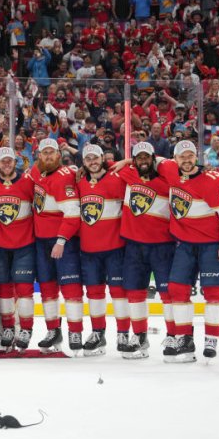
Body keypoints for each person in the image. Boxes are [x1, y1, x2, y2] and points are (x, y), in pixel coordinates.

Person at [156, 141, 219, 362]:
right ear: (175, 159)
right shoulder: (170, 169)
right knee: (176, 289)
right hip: (184, 244)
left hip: (212, 245)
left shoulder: (213, 181)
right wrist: (126, 160)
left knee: (214, 294)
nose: (186, 160)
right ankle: (185, 337)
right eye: (182, 156)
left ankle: (211, 339)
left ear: (197, 157)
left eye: (190, 156)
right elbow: (155, 161)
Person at [112, 142, 173, 359]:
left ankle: (174, 336)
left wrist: (128, 160)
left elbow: (175, 165)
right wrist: (126, 162)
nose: (143, 161)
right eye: (139, 157)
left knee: (168, 294)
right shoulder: (129, 175)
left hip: (162, 245)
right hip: (134, 245)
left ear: (154, 158)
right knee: (135, 293)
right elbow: (100, 166)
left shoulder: (168, 180)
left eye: (147, 157)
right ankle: (139, 338)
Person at [27, 138, 82, 354]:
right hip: (41, 241)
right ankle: (53, 330)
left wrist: (61, 240)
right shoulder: (36, 171)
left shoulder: (64, 177)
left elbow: (72, 213)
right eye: (44, 153)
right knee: (47, 288)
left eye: (52, 152)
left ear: (59, 155)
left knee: (70, 288)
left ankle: (75, 331)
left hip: (62, 242)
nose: (48, 156)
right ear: (38, 156)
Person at [0, 147, 36, 352]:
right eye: (2, 161)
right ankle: (8, 328)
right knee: (3, 290)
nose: (6, 164)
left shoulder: (28, 182)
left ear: (16, 162)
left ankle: (26, 329)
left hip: (25, 244)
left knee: (24, 290)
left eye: (9, 161)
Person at [76, 144, 127, 356]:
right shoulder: (78, 182)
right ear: (84, 162)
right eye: (87, 159)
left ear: (102, 158)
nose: (92, 162)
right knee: (94, 293)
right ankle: (98, 333)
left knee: (118, 292)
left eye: (95, 158)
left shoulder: (119, 177)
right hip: (88, 249)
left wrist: (126, 161)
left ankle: (123, 333)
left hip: (115, 247)